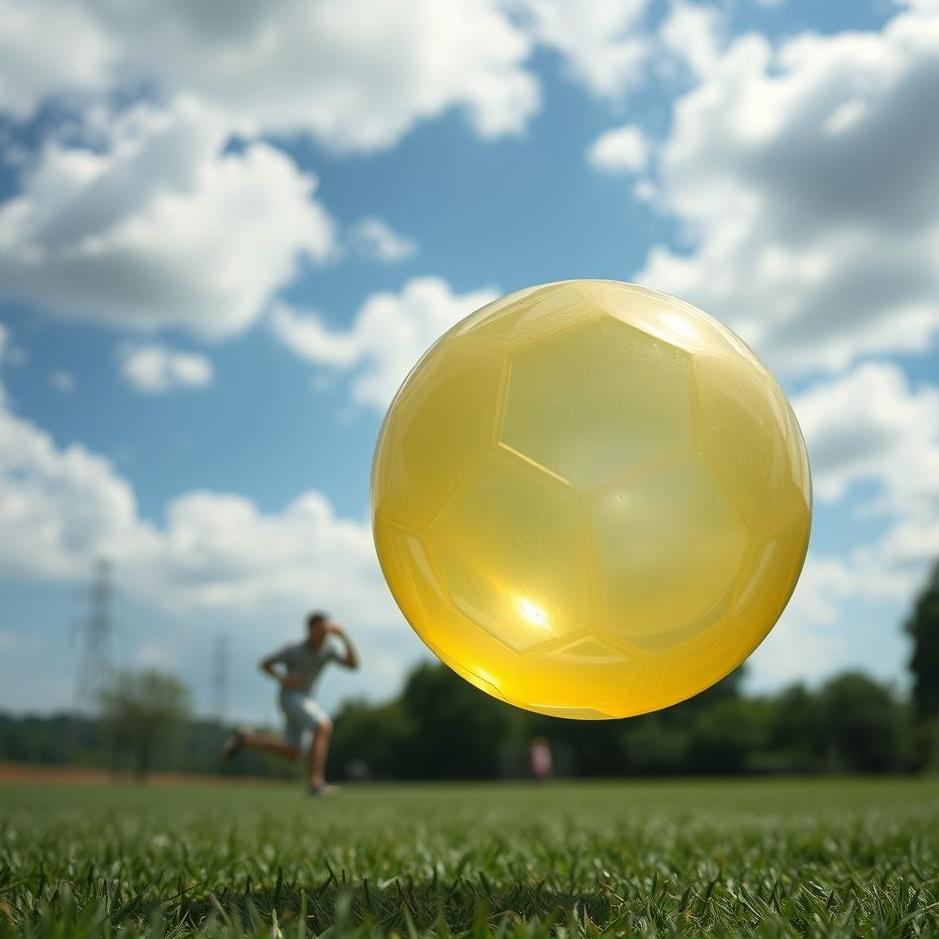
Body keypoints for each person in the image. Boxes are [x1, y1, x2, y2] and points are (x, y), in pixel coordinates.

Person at [223, 611, 359, 794]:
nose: (325, 633)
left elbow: (353, 665)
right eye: (320, 629)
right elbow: (264, 663)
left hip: (306, 700)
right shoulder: (294, 650)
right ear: (310, 630)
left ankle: (246, 740)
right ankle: (315, 783)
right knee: (323, 726)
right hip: (290, 698)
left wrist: (344, 636)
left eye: (327, 630)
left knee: (294, 752)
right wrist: (282, 679)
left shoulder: (328, 650)